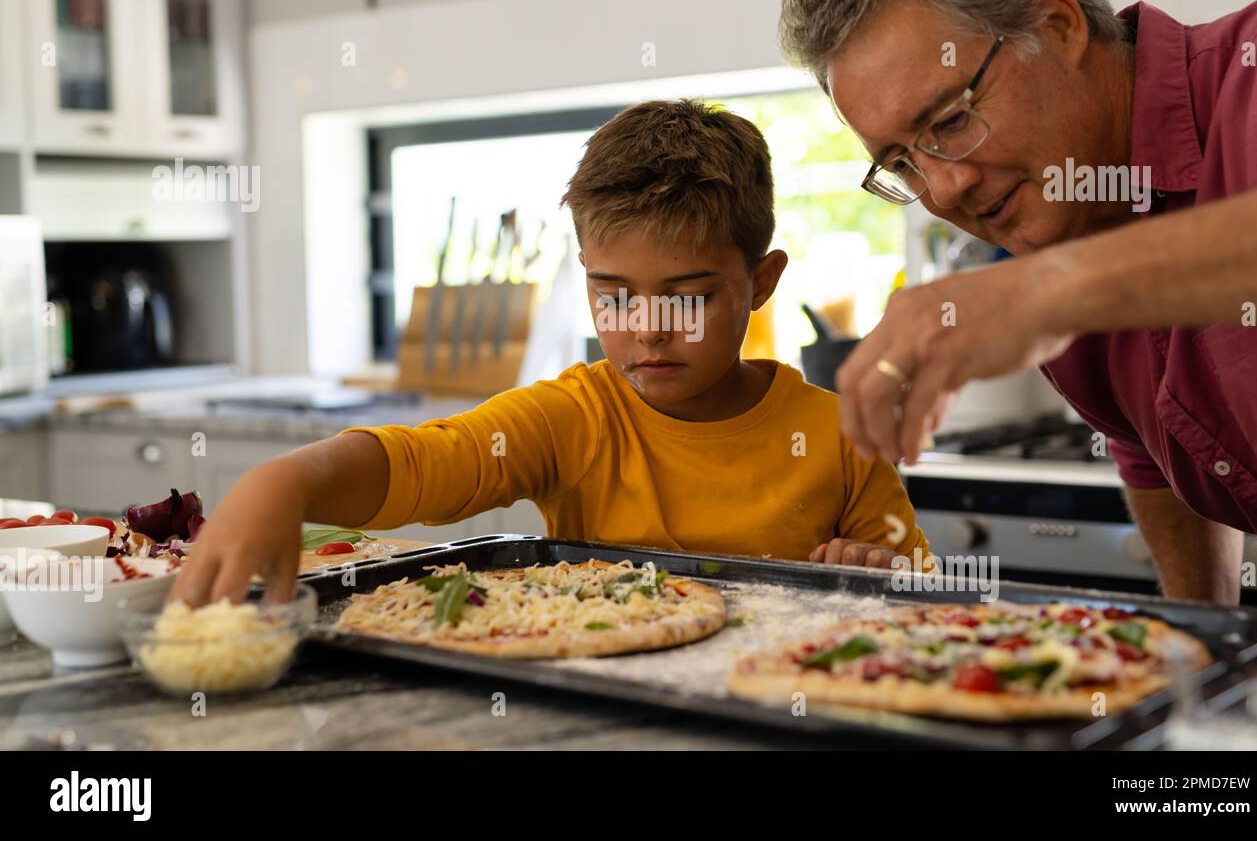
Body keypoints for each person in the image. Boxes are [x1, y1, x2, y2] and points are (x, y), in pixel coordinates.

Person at [173, 99, 929, 605]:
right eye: (614, 295)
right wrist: (285, 482)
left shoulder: (841, 436)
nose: (647, 327)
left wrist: (883, 576)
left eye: (688, 296)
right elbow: (424, 464)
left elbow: (927, 592)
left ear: (761, 283)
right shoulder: (575, 417)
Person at [778, 0, 1257, 604]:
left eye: (952, 120)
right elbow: (1150, 455)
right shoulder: (1058, 230)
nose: (945, 188)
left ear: (1058, 25)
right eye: (902, 163)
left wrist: (1047, 293)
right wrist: (1195, 652)